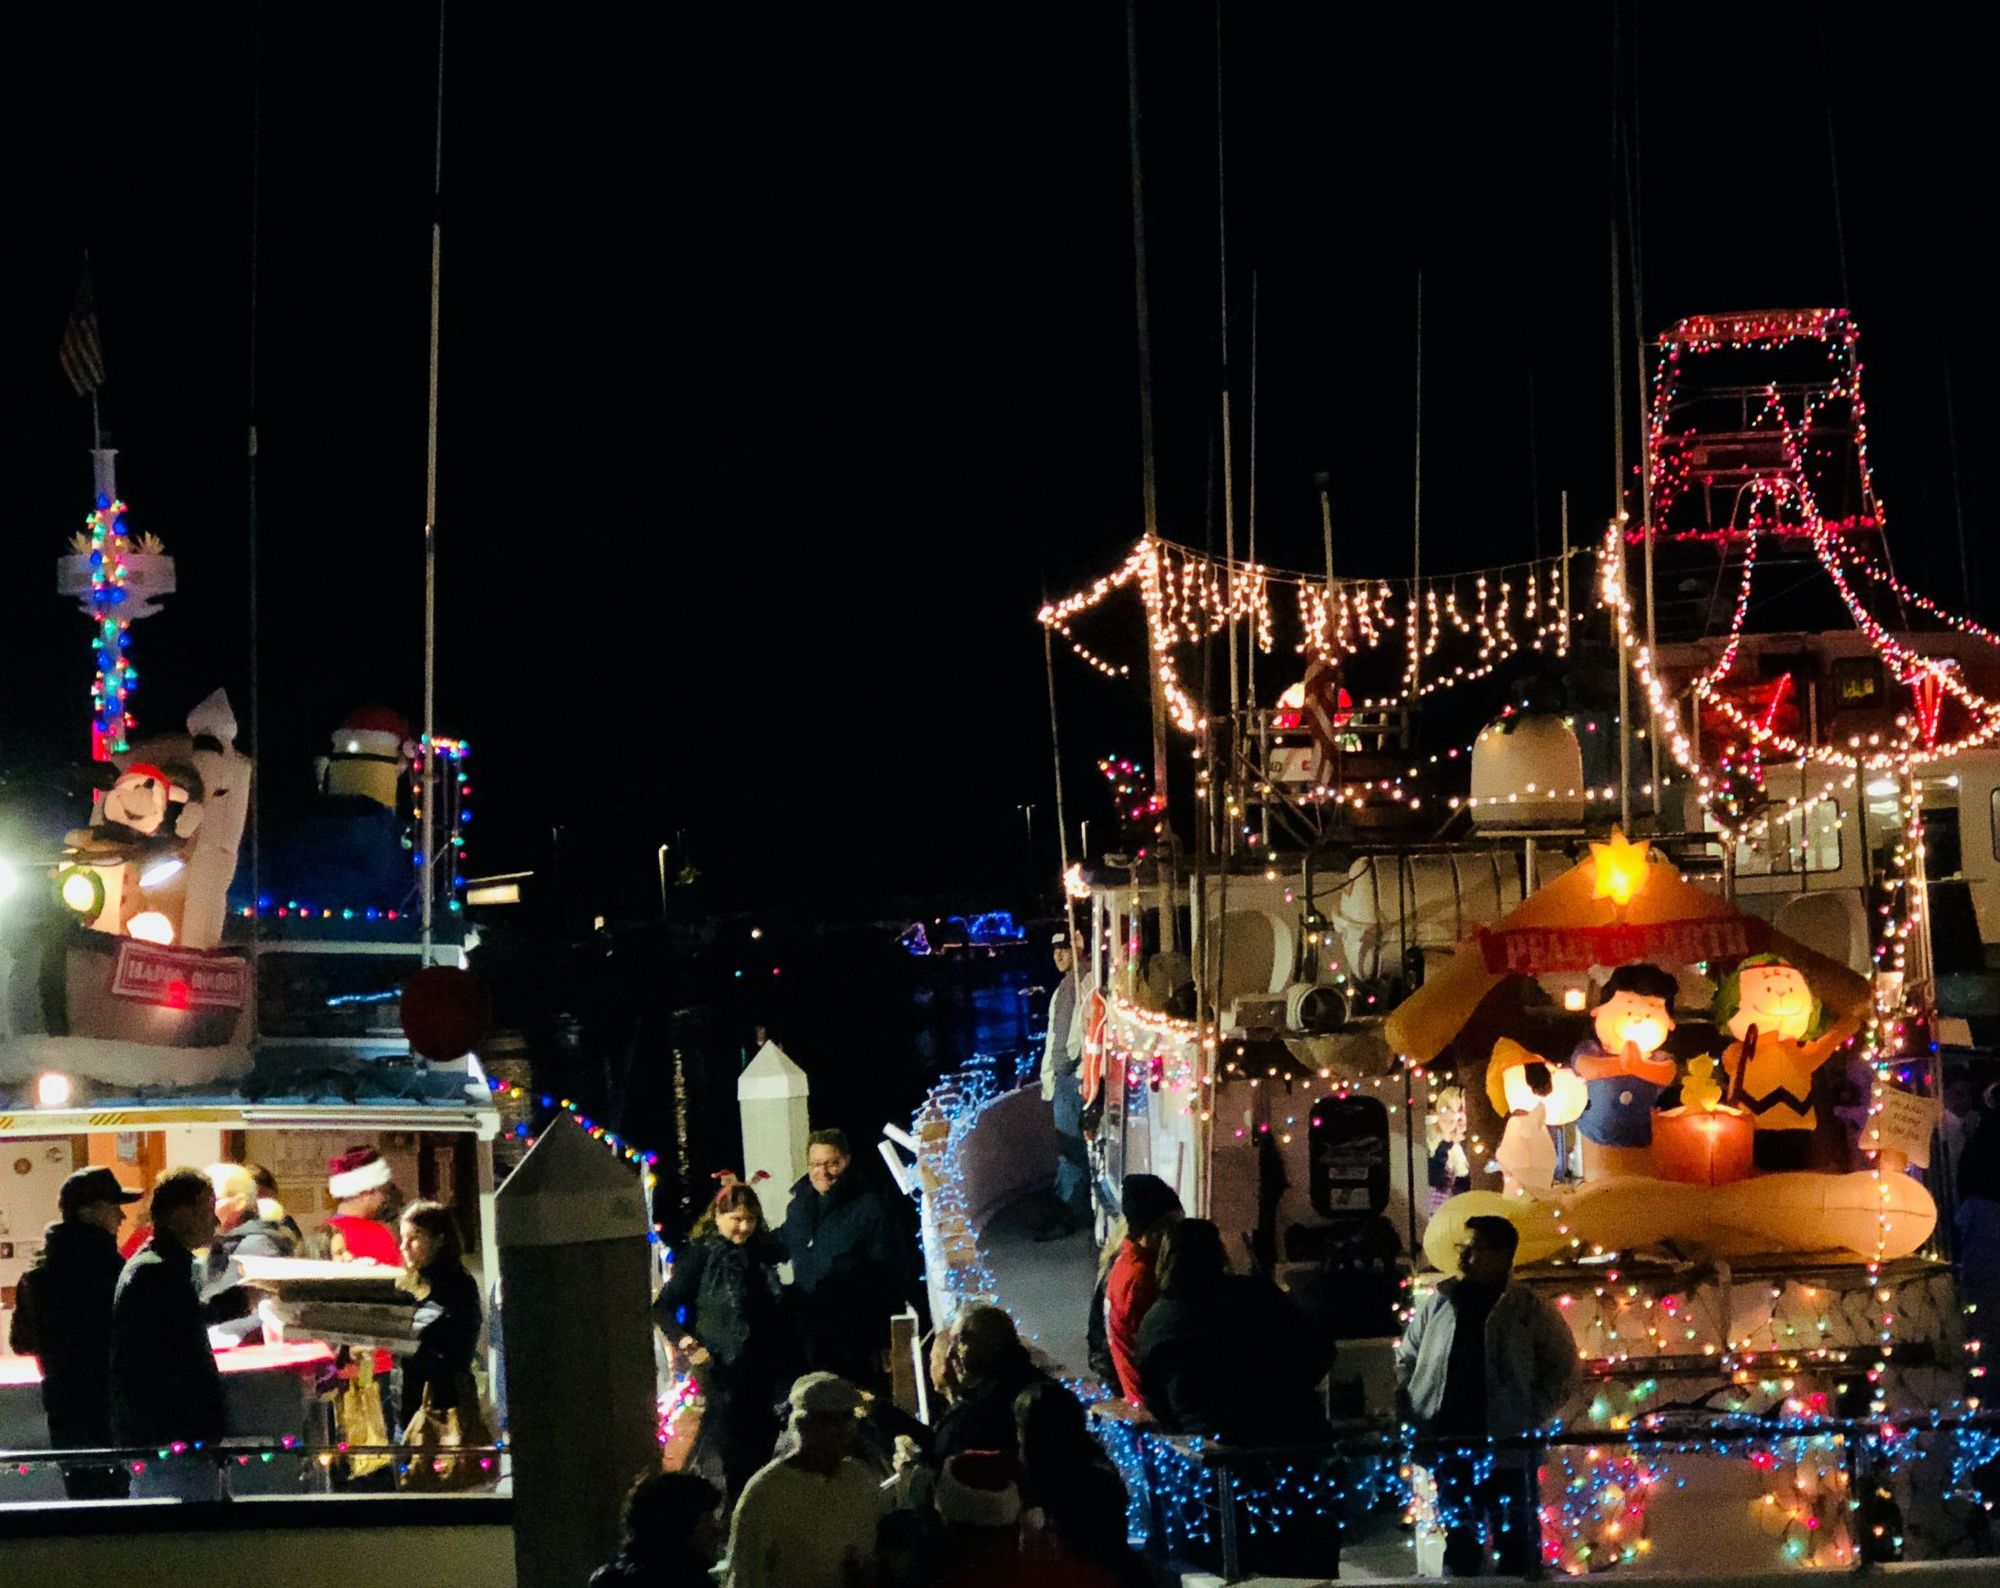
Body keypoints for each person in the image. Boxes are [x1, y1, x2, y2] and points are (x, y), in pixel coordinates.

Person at [1395, 1214, 1580, 1577]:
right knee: (1461, 1544)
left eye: (1474, 1248)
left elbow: (1563, 1369)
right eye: (1461, 1248)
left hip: (1506, 1447)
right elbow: (1408, 1358)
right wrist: (1414, 1406)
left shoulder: (1528, 1309)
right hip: (1451, 1442)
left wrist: (1527, 1412)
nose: (1464, 1257)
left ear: (1503, 1255)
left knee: (1517, 1547)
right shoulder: (1440, 1304)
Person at [654, 1179, 796, 1503]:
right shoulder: (702, 1257)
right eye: (736, 1219)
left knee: (761, 1456)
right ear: (718, 1217)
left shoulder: (762, 1257)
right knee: (732, 1458)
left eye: (750, 1219)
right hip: (720, 1374)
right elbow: (662, 1307)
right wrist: (689, 1345)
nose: (743, 1227)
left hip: (761, 1375)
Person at [8, 1166, 143, 1499]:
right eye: (113, 1206)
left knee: (85, 1502)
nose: (121, 1216)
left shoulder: (37, 1272)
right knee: (120, 1504)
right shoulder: (109, 1268)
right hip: (109, 1407)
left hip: (64, 1407)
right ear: (88, 1211)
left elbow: (21, 1341)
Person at [1136, 1219, 1332, 1445]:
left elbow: (1155, 1399)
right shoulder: (1258, 1295)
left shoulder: (1155, 1323)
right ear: (1218, 1253)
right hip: (1287, 1434)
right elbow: (1320, 1351)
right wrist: (1287, 1393)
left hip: (1207, 1450)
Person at [110, 1167, 226, 1499]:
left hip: (163, 1437)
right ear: (180, 1213)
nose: (214, 1220)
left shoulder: (156, 1265)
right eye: (207, 1209)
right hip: (169, 1439)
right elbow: (179, 1341)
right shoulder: (156, 1271)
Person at [724, 1372, 885, 1588]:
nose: (843, 1432)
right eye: (830, 1423)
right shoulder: (766, 1493)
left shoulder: (859, 1480)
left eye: (847, 1419)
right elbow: (745, 1577)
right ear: (804, 1427)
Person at [780, 1128, 908, 1388]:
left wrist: (886, 1340)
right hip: (809, 1336)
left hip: (854, 1336)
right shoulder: (799, 1207)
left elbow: (890, 1273)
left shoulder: (870, 1208)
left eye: (832, 1163)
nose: (823, 1172)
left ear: (847, 1161)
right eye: (816, 1164)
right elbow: (780, 1242)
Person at [397, 1200, 485, 1434]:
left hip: (445, 1407)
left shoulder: (457, 1285)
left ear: (439, 1239)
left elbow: (447, 1342)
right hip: (410, 1405)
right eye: (402, 1238)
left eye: (414, 1237)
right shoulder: (410, 1283)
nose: (404, 1246)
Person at [930, 1304, 1057, 1466]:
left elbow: (952, 1471)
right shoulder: (1024, 1384)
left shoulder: (989, 1408)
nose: (950, 1354)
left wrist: (909, 1466)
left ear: (987, 1343)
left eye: (959, 1341)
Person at [1104, 1174, 1182, 1413]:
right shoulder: (1141, 1279)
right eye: (1176, 1224)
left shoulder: (1126, 1264)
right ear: (1158, 1230)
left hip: (1142, 1399)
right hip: (1152, 1409)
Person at [199, 1162, 298, 1343]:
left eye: (209, 1199)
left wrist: (221, 1333)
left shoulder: (257, 1247)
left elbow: (276, 1313)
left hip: (248, 1360)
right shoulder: (224, 1243)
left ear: (239, 1203)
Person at [1037, 932, 1093, 1241]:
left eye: (1063, 949)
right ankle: (1066, 1207)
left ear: (1077, 949)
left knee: (1072, 1149)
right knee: (1068, 1148)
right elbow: (1053, 1037)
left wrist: (1067, 1066)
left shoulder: (1082, 981)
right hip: (1063, 1078)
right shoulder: (1064, 987)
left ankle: (1071, 1212)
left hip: (1073, 1078)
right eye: (1054, 950)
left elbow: (1079, 1031)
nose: (1057, 956)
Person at [589, 1468, 727, 1588]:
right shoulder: (690, 1581)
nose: (717, 1530)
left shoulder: (610, 1580)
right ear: (681, 1526)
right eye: (707, 1519)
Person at [308, 1145, 403, 1261]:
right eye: (382, 1191)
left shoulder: (316, 1239)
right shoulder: (382, 1237)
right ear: (366, 1193)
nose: (384, 1199)